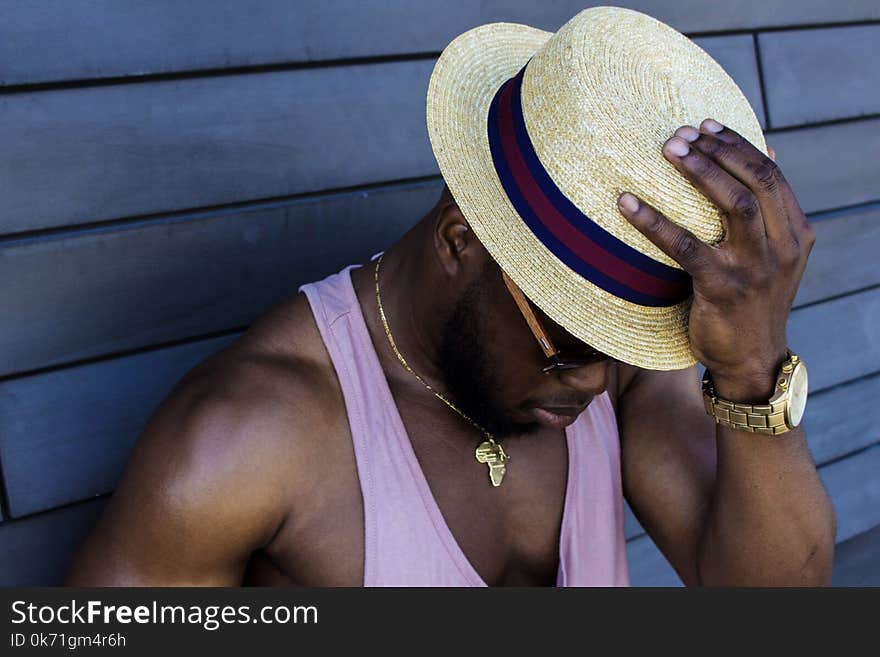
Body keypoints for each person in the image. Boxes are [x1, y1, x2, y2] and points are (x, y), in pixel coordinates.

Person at [67, 7, 834, 587]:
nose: (600, 381)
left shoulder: (615, 365)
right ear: (461, 238)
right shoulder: (244, 443)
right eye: (573, 342)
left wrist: (753, 370)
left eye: (626, 341)